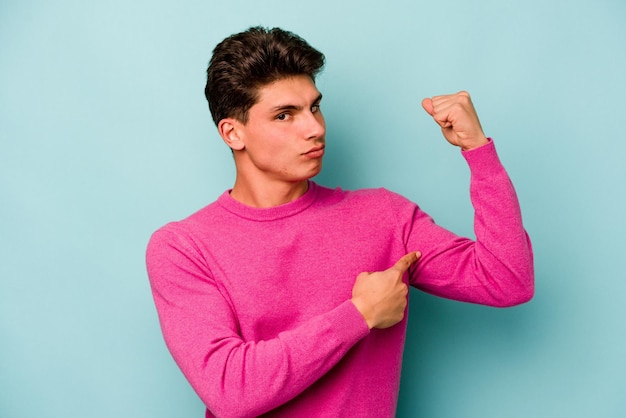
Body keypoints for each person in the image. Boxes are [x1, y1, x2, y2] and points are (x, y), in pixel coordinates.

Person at [146, 26, 534, 418]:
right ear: (233, 133)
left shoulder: (385, 217)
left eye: (314, 107)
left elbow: (506, 280)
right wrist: (359, 315)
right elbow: (231, 391)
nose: (315, 128)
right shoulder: (182, 247)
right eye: (285, 115)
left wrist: (478, 153)